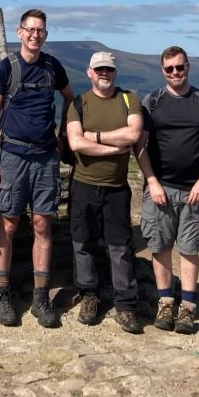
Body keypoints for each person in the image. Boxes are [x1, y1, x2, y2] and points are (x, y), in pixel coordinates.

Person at [0, 8, 74, 328]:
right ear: (19, 32)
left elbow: (69, 99)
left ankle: (40, 297)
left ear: (45, 35)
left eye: (41, 31)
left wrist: (64, 134)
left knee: (42, 224)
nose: (35, 35)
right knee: (7, 223)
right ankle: (3, 293)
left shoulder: (53, 66)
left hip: (46, 156)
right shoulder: (5, 68)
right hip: (12, 155)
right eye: (30, 30)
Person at [134, 46, 199, 335]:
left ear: (188, 67)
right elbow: (140, 145)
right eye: (169, 68)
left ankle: (187, 308)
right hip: (161, 187)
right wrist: (152, 181)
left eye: (180, 67)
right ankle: (165, 303)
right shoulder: (153, 102)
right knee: (159, 246)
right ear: (162, 71)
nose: (175, 72)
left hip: (194, 189)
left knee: (189, 247)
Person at [64, 52, 144, 334]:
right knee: (82, 242)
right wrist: (112, 146)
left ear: (115, 72)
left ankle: (125, 305)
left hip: (116, 188)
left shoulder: (129, 99)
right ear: (89, 72)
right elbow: (75, 142)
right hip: (83, 184)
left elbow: (133, 135)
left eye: (108, 69)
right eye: (99, 69)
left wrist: (93, 137)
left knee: (120, 246)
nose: (104, 74)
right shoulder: (79, 103)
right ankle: (88, 296)